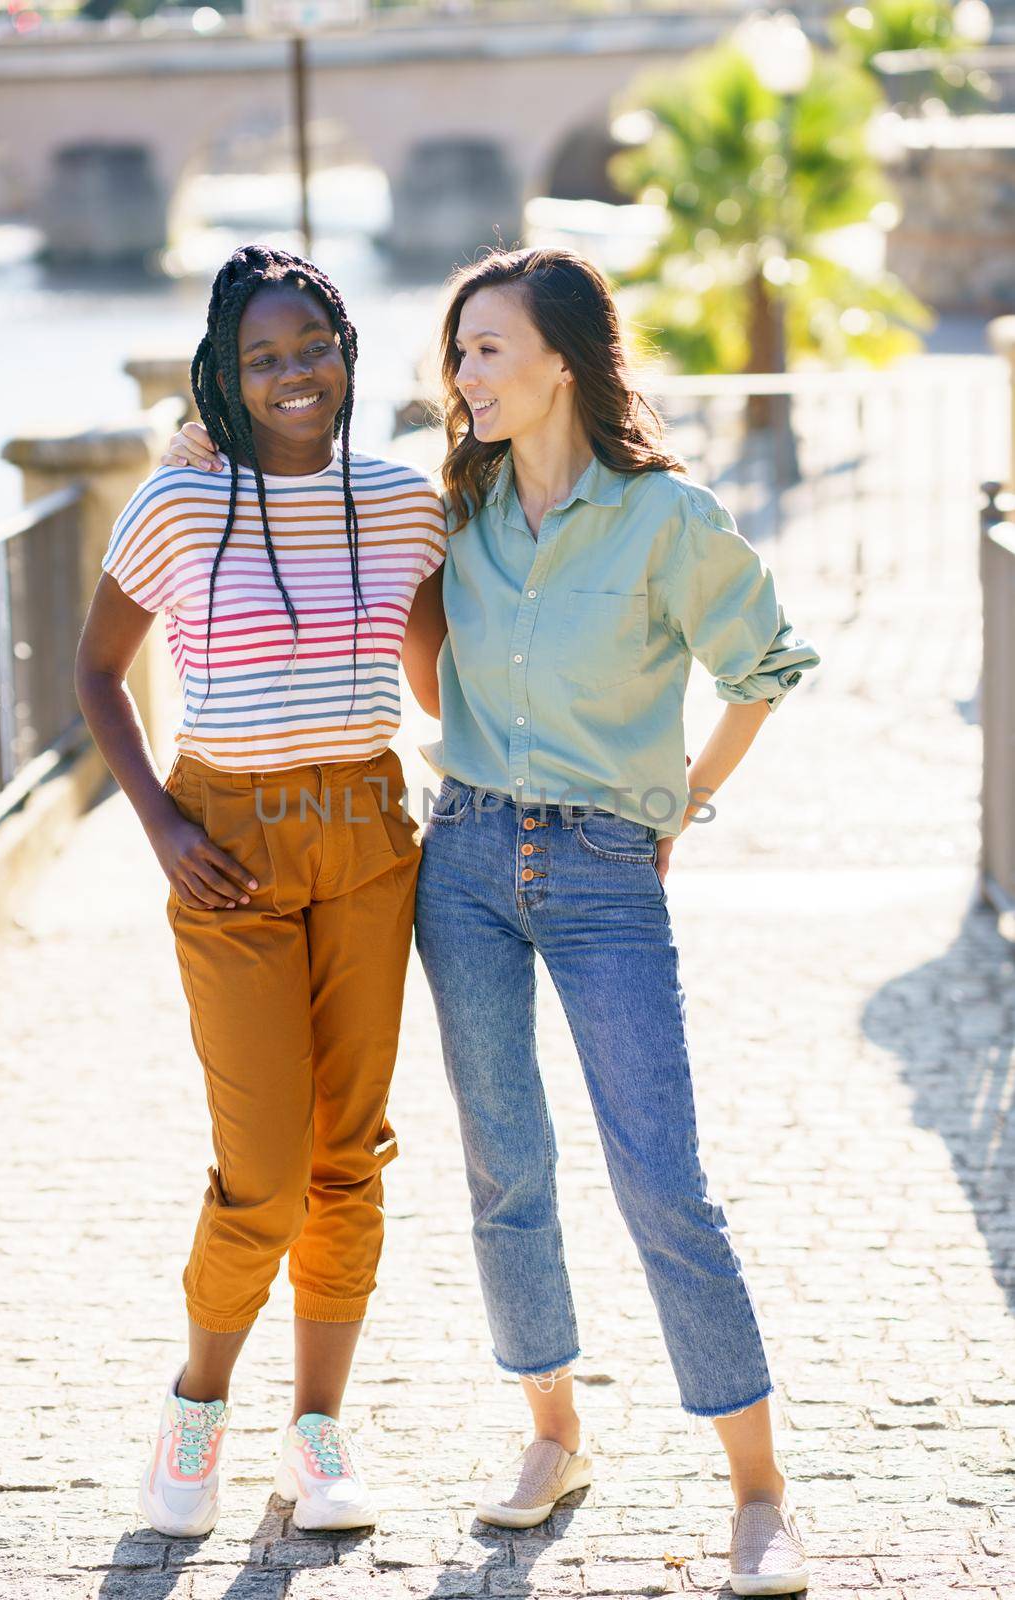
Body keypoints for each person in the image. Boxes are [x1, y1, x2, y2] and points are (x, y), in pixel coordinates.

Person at [165, 246, 821, 1597]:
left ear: (563, 361)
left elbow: (765, 667)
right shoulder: (449, 505)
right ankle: (552, 1436)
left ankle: (759, 1496)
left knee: (662, 1182)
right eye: (455, 353)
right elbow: (364, 586)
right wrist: (201, 429)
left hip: (602, 876)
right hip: (458, 857)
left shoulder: (666, 519)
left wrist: (677, 809)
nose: (461, 377)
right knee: (502, 1174)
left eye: (486, 351)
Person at [75, 244, 446, 1540]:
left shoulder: (406, 502)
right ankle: (197, 1411)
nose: (296, 376)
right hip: (225, 846)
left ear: (350, 351)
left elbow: (445, 684)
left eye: (315, 347)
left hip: (366, 838)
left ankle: (320, 1437)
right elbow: (97, 673)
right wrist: (164, 827)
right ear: (226, 379)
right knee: (265, 1168)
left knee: (350, 1156)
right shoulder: (176, 508)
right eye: (264, 358)